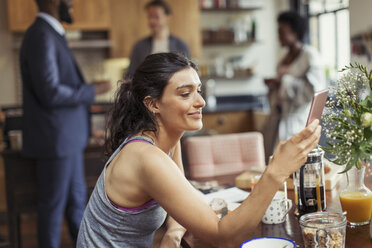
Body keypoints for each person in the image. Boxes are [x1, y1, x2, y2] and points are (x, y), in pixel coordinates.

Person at [77, 52, 321, 248]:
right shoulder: (145, 158)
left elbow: (177, 189)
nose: (200, 102)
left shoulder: (167, 141)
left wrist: (174, 230)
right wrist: (276, 171)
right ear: (153, 104)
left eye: (198, 90)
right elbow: (223, 237)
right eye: (185, 93)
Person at [19, 0, 110, 247]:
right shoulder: (41, 35)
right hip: (56, 143)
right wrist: (93, 90)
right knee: (53, 207)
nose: (72, 4)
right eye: (68, 1)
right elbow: (50, 92)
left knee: (75, 204)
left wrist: (85, 127)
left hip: (66, 140)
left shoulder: (50, 33)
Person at [263, 11, 326, 161]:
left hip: (298, 120)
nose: (278, 36)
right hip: (279, 118)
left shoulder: (310, 56)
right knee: (276, 161)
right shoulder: (283, 58)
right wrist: (274, 85)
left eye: (282, 31)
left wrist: (284, 81)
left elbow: (315, 90)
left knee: (297, 163)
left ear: (295, 32)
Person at [125, 0, 190, 78]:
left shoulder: (181, 45)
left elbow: (188, 75)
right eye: (149, 16)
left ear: (168, 17)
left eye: (156, 16)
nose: (152, 21)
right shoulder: (139, 47)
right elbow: (130, 76)